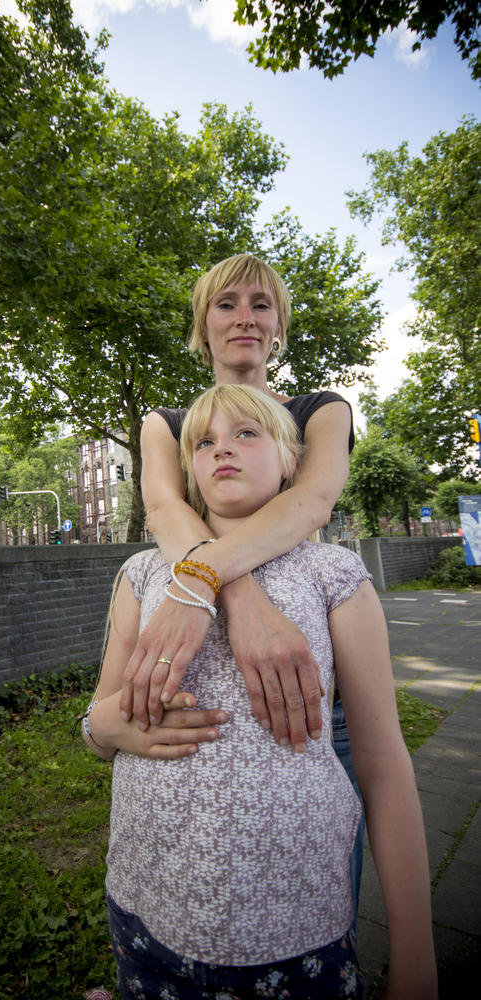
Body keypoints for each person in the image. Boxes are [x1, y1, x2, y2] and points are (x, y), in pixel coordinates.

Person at [83, 384, 437, 1000]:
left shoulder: (336, 576)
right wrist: (101, 728)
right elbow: (98, 722)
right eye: (204, 442)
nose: (223, 450)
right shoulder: (141, 576)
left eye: (246, 434)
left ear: (291, 459)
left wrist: (416, 959)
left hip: (298, 928)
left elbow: (383, 764)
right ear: (188, 468)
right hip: (147, 909)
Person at [121, 252, 365, 925]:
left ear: (279, 323)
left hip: (309, 668)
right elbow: (167, 514)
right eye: (225, 304)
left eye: (261, 304)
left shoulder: (321, 412)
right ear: (202, 326)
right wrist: (239, 596)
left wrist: (200, 575)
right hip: (209, 682)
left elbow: (309, 505)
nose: (244, 318)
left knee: (325, 862)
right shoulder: (168, 427)